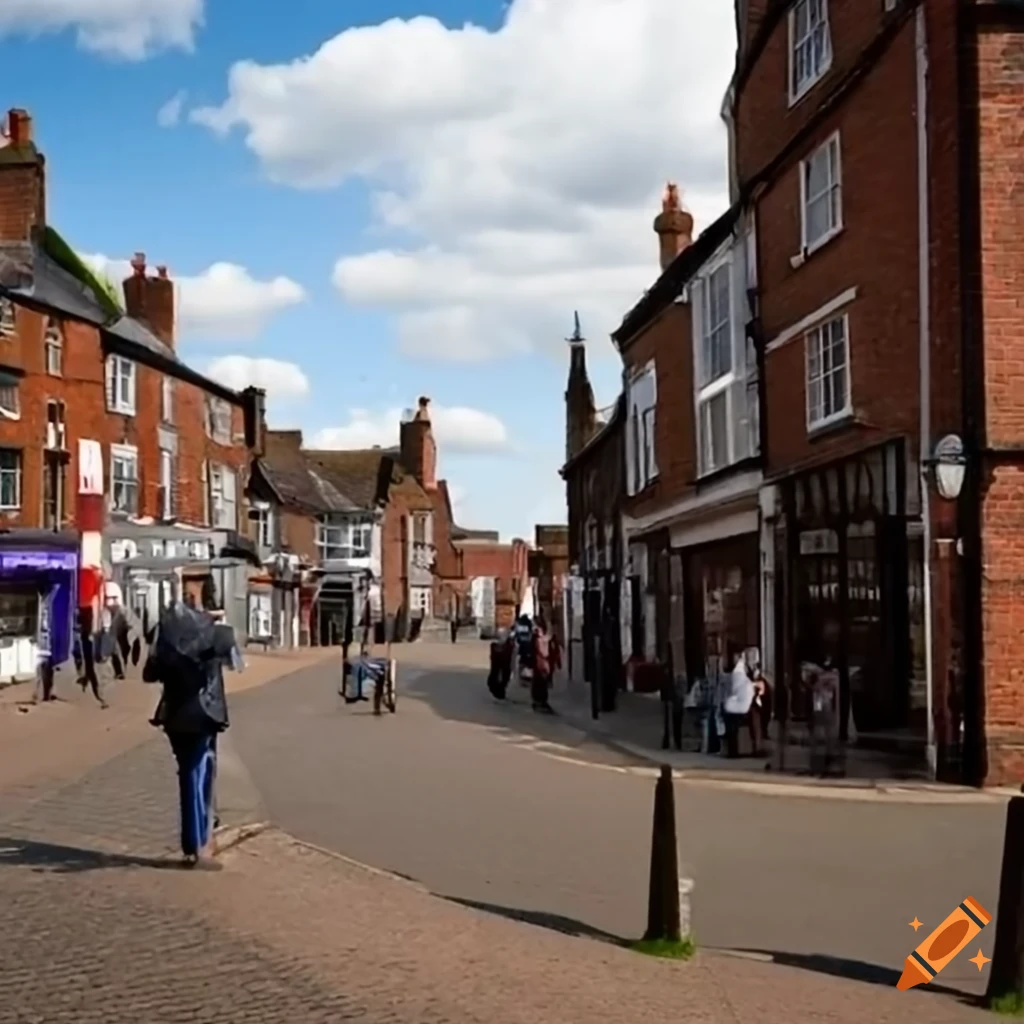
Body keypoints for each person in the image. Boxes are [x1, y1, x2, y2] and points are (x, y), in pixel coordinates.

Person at [143, 601, 231, 867]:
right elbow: (230, 657)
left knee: (188, 773)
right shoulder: (211, 639)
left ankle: (193, 840)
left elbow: (149, 674)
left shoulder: (170, 645)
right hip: (206, 715)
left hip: (175, 717)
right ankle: (198, 838)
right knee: (200, 771)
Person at [722, 644, 758, 758]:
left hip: (735, 706)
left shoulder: (738, 671)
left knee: (732, 725)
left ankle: (734, 750)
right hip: (739, 706)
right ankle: (737, 750)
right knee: (734, 725)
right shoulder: (740, 672)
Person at [531, 616, 554, 713]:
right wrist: (549, 624)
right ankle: (540, 702)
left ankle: (538, 701)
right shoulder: (538, 638)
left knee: (538, 682)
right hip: (541, 663)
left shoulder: (535, 635)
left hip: (538, 663)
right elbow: (547, 640)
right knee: (541, 682)